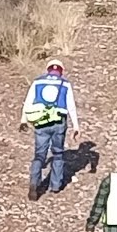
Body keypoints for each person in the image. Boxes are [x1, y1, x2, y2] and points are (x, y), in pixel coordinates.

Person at [19, 58, 79, 200]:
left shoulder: (38, 81)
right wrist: (76, 125)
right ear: (61, 70)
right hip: (59, 122)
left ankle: (34, 183)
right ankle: (55, 186)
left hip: (41, 122)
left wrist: (23, 119)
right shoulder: (65, 83)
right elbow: (71, 106)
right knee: (58, 153)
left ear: (48, 69)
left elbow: (28, 101)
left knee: (39, 155)